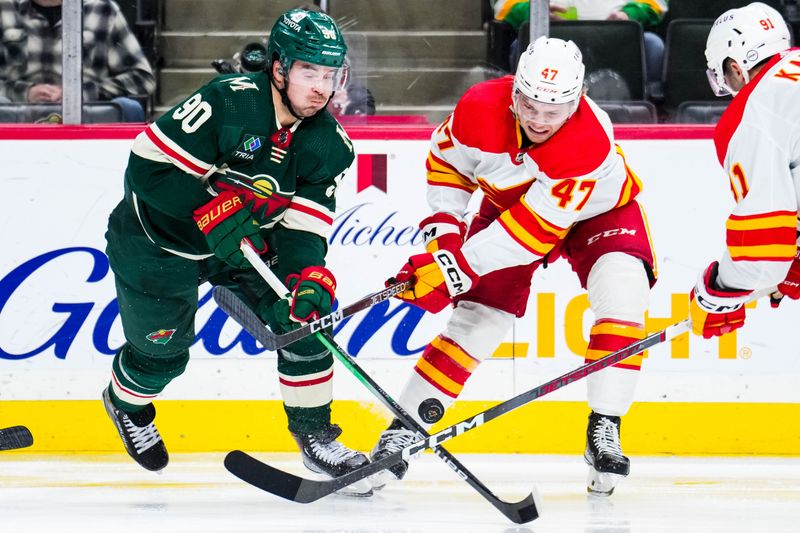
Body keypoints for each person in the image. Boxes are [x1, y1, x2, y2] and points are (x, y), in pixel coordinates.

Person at [370, 36, 657, 496]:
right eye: (530, 105)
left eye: (554, 109)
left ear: (578, 99)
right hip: (510, 209)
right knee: (474, 319)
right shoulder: (480, 106)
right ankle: (403, 430)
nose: (540, 119)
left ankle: (605, 425)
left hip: (598, 213)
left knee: (624, 295)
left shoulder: (588, 138)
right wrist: (442, 245)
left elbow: (532, 233)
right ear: (515, 92)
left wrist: (454, 267)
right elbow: (448, 168)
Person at [101, 8, 371, 496]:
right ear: (279, 66)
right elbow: (147, 168)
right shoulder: (229, 102)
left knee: (303, 319)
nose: (321, 88)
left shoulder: (329, 144)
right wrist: (208, 209)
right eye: (310, 72)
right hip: (156, 242)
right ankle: (128, 404)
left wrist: (307, 274)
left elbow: (302, 226)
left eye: (330, 75)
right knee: (161, 358)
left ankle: (314, 435)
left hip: (243, 247)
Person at [688, 3, 799, 339]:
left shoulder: (754, 111)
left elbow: (762, 252)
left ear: (737, 67)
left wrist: (719, 294)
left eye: (724, 76)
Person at [0, 0, 156, 122]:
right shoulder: (4, 9)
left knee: (129, 108)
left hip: (89, 121)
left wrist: (82, 93)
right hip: (16, 119)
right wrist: (25, 92)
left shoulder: (103, 10)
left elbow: (142, 78)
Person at [497, 0, 667, 95]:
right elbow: (504, 7)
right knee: (520, 46)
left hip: (616, 38)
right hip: (551, 38)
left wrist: (630, 14)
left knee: (652, 45)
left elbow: (656, 4)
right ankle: (524, 101)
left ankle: (651, 104)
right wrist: (535, 12)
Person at [213, 42, 376, 116]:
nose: (319, 85)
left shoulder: (356, 94)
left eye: (329, 75)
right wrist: (241, 83)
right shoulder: (283, 86)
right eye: (309, 74)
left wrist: (346, 107)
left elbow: (363, 121)